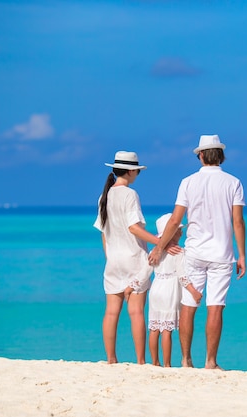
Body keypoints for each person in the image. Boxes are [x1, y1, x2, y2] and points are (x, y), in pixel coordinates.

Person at [148, 134, 246, 370]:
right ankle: (210, 362)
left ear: (201, 155)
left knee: (188, 306)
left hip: (194, 253)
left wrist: (160, 247)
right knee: (215, 307)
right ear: (220, 155)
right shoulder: (233, 182)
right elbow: (238, 221)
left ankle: (185, 360)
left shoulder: (188, 182)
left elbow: (175, 220)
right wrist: (241, 255)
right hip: (222, 253)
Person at [94, 150, 179, 364]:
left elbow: (104, 233)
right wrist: (161, 243)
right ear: (131, 171)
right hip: (133, 258)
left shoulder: (104, 196)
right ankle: (141, 361)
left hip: (113, 260)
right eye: (137, 172)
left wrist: (109, 257)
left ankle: (111, 359)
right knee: (136, 312)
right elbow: (133, 228)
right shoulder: (130, 195)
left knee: (111, 312)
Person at [148, 213, 202, 367]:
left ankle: (155, 362)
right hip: (169, 292)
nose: (181, 232)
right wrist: (194, 291)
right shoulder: (179, 252)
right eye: (178, 230)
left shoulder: (154, 251)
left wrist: (132, 285)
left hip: (156, 288)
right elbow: (182, 275)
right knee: (166, 330)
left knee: (154, 327)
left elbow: (145, 270)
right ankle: (167, 364)